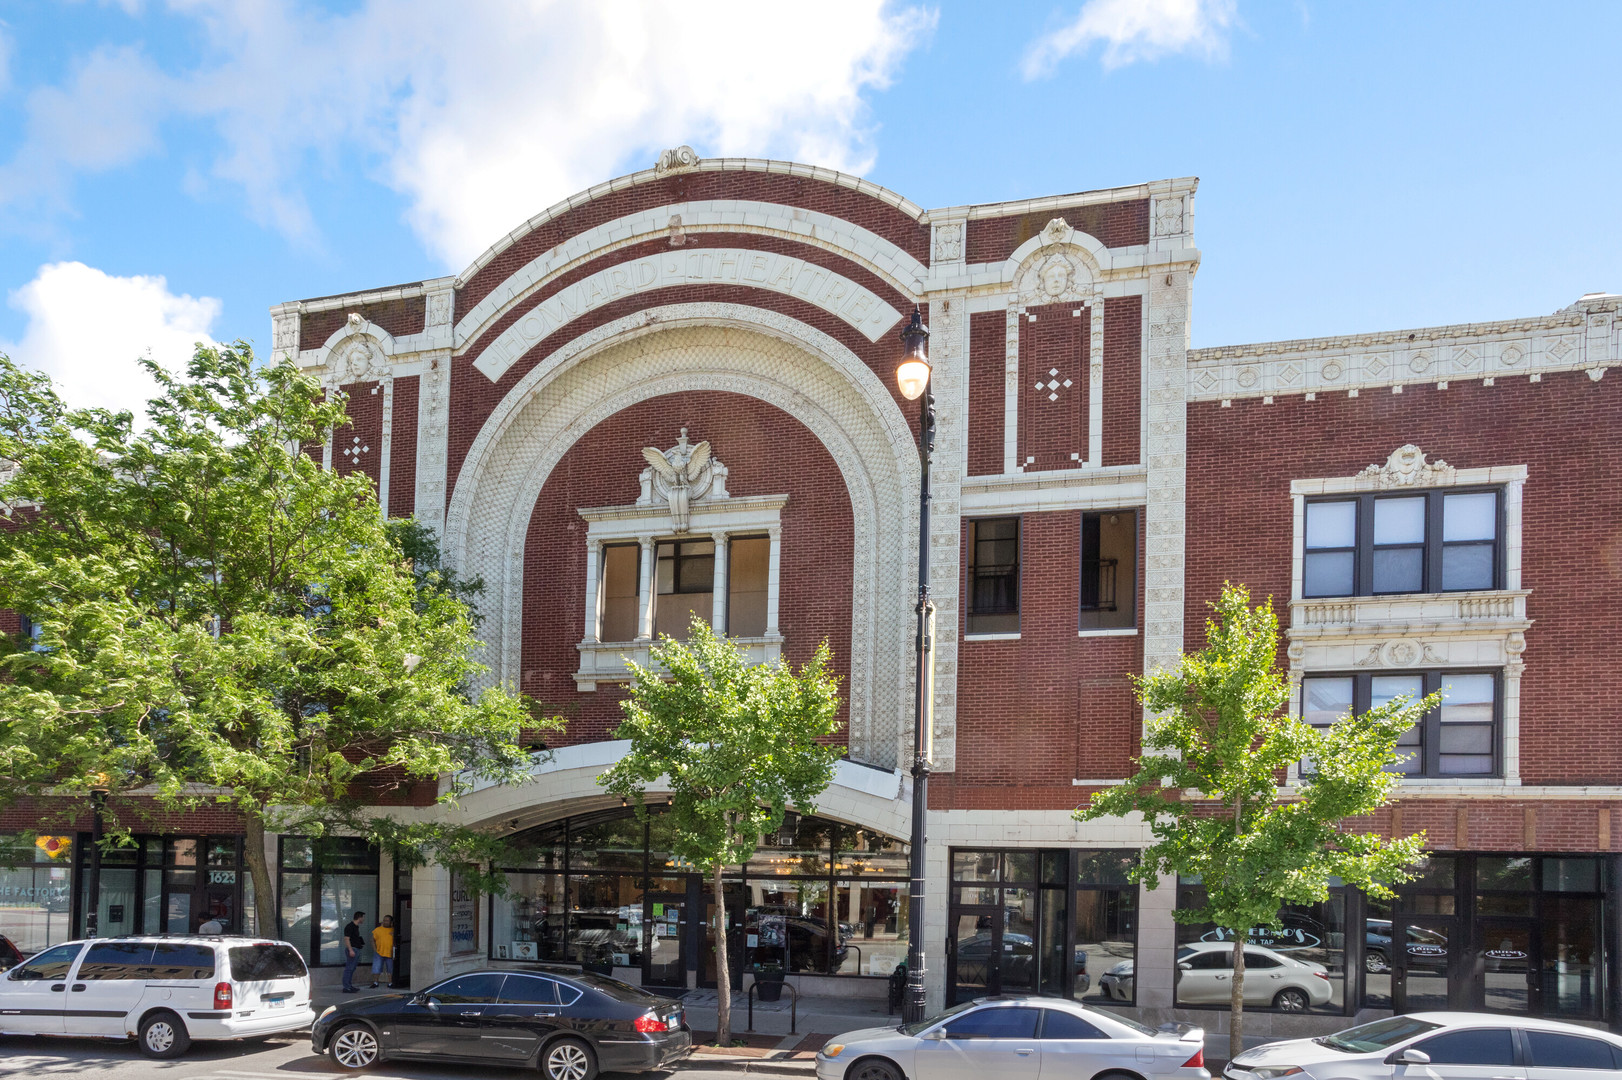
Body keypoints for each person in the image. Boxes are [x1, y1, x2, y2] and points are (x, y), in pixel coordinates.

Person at [342, 911, 366, 993]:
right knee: (349, 968)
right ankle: (346, 987)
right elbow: (346, 939)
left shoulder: (356, 927)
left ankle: (349, 985)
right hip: (353, 949)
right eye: (363, 917)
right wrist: (350, 950)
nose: (363, 919)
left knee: (352, 968)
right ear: (359, 918)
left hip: (356, 949)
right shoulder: (350, 926)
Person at [368, 915, 394, 989]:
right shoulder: (378, 930)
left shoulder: (393, 930)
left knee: (390, 968)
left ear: (391, 922)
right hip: (379, 952)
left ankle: (390, 983)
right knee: (377, 968)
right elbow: (372, 940)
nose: (385, 922)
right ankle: (375, 982)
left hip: (390, 953)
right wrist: (374, 949)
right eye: (384, 920)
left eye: (387, 920)